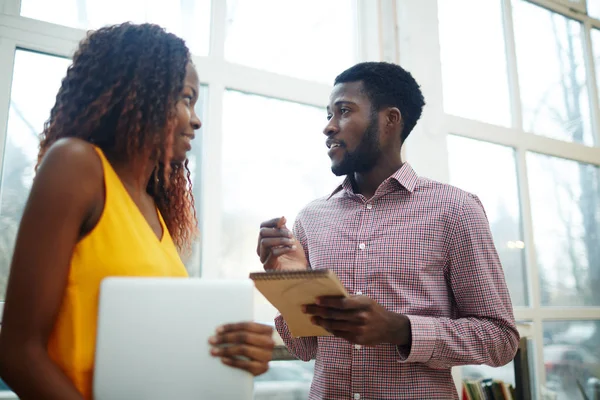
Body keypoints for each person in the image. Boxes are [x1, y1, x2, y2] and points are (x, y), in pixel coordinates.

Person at [0, 23, 274, 400]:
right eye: (185, 98)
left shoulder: (154, 208)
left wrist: (233, 353)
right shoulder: (76, 165)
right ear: (140, 95)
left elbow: (149, 350)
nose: (195, 119)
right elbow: (18, 352)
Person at [257, 61, 520, 399]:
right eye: (328, 115)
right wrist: (288, 280)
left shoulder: (455, 210)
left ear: (390, 120)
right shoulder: (311, 218)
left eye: (344, 111)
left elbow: (500, 339)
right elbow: (305, 348)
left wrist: (400, 329)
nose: (329, 128)